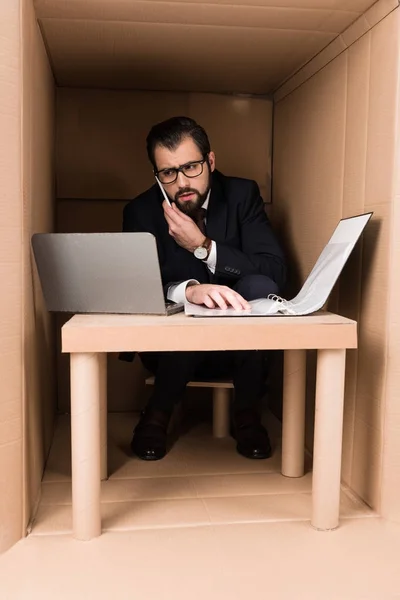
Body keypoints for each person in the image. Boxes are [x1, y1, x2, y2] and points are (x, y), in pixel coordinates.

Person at [122, 116, 286, 462]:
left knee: (259, 284)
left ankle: (247, 413)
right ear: (157, 174)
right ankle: (157, 413)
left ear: (210, 161)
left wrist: (204, 247)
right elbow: (135, 288)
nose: (181, 182)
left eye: (191, 167)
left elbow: (274, 271)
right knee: (187, 309)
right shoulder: (140, 211)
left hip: (242, 351)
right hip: (170, 353)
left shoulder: (242, 195)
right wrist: (188, 291)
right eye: (168, 173)